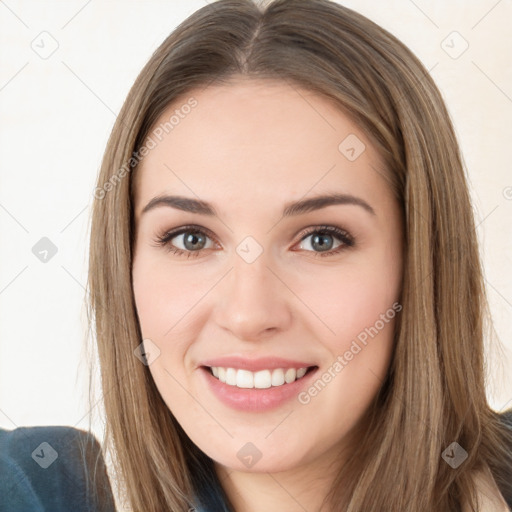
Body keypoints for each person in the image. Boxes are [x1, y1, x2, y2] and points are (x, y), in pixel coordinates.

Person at [87, 0, 512, 510]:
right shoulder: (34, 488)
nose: (248, 315)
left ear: (420, 261)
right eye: (191, 238)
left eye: (321, 239)